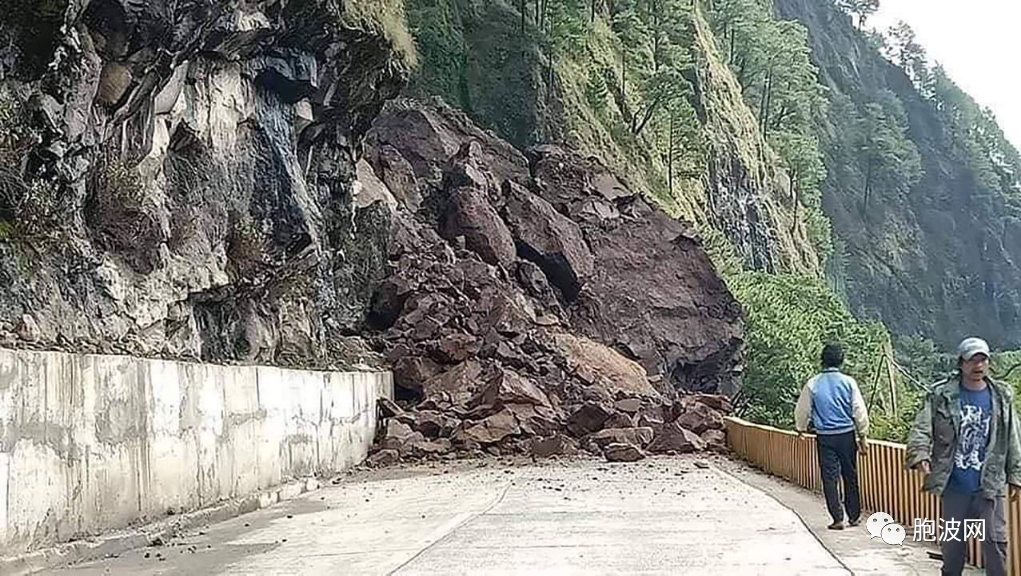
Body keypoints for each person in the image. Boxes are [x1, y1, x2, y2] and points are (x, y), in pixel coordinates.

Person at [905, 337, 1021, 576]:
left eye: (982, 360)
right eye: (972, 360)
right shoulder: (942, 394)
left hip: (990, 484)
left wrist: (1016, 475)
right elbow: (922, 427)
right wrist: (920, 455)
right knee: (953, 547)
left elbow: (1013, 436)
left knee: (996, 543)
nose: (978, 366)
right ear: (961, 364)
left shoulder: (1001, 396)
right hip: (954, 485)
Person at [795, 342, 870, 530]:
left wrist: (801, 429)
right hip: (846, 435)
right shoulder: (849, 382)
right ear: (841, 360)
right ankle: (854, 516)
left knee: (830, 478)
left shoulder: (813, 383)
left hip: (825, 437)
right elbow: (859, 411)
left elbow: (803, 410)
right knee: (850, 475)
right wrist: (863, 437)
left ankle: (837, 518)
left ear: (822, 360)